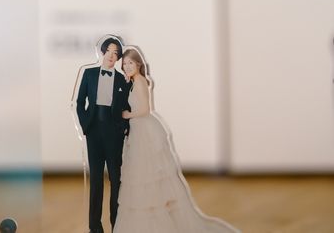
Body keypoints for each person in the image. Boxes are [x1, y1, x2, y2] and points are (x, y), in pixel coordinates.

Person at [114, 48, 239, 233]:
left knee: (147, 174)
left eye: (130, 63)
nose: (127, 66)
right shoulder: (133, 82)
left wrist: (127, 114)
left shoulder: (139, 82)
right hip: (138, 129)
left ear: (138, 64)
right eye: (124, 64)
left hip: (144, 130)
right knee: (142, 174)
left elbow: (146, 109)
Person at [76, 36, 130, 233]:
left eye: (116, 53)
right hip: (94, 133)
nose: (111, 55)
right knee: (96, 181)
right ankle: (95, 227)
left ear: (118, 57)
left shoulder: (122, 79)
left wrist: (122, 128)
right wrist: (86, 126)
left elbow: (127, 106)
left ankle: (117, 225)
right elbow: (79, 102)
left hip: (114, 135)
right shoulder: (89, 74)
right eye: (109, 51)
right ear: (102, 52)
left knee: (116, 180)